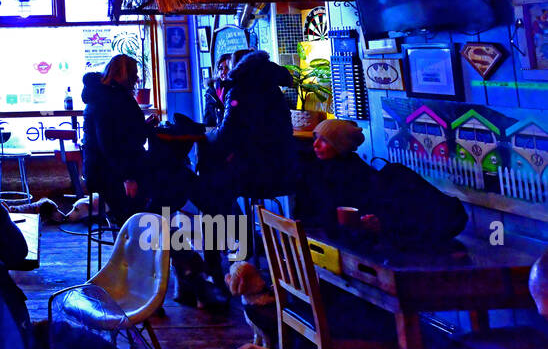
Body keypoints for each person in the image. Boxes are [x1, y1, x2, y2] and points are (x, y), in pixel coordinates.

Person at [193, 50, 295, 283]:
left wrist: (205, 138)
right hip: (280, 169)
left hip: (255, 172)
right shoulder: (269, 86)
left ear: (236, 65)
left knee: (208, 188)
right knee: (217, 185)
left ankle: (217, 266)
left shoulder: (240, 88)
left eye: (227, 64)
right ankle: (243, 244)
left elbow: (227, 134)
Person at [296, 119, 468, 245]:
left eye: (324, 140)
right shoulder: (315, 169)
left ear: (340, 145)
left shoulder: (359, 175)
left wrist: (377, 224)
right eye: (315, 138)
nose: (316, 145)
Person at [81, 54, 152, 222]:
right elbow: (110, 144)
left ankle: (137, 234)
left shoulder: (101, 95)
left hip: (99, 169)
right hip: (110, 173)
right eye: (134, 73)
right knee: (165, 182)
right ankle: (133, 235)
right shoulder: (112, 99)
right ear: (123, 75)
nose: (137, 78)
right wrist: (128, 177)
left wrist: (143, 127)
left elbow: (119, 135)